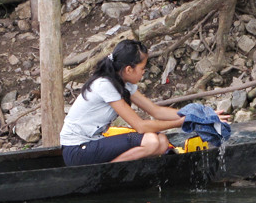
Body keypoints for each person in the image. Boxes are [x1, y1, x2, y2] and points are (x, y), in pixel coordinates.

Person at [60, 40, 192, 166]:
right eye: (142, 68)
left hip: (94, 142)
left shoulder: (124, 83)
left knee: (162, 141)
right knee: (151, 142)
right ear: (129, 69)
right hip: (77, 149)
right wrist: (180, 122)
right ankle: (104, 174)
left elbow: (156, 111)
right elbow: (140, 126)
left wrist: (191, 114)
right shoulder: (105, 85)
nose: (143, 72)